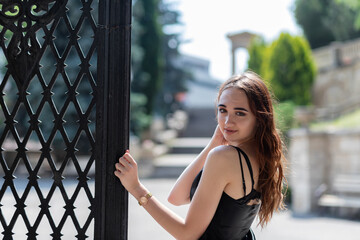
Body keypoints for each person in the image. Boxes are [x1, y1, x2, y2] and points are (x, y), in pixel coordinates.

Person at [114, 71, 286, 240]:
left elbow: (187, 234)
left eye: (240, 113)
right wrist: (214, 143)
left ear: (259, 118)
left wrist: (136, 189)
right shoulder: (260, 157)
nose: (227, 121)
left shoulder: (225, 158)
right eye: (223, 110)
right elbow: (177, 197)